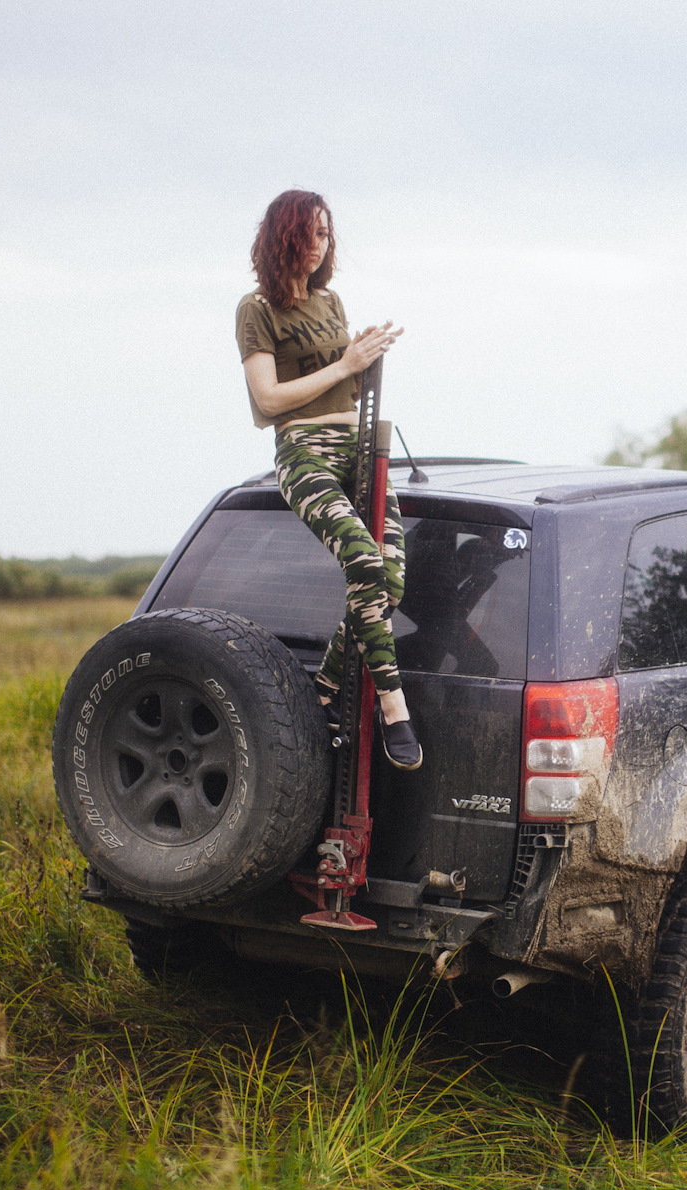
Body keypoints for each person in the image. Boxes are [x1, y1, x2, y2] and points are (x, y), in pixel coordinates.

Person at [236, 189, 420, 770]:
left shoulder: (331, 301)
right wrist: (346, 364)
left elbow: (346, 386)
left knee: (388, 581)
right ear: (283, 236)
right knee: (364, 562)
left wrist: (365, 360)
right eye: (308, 233)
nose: (318, 246)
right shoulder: (257, 309)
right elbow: (267, 398)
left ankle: (324, 691)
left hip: (360, 447)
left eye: (325, 234)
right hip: (305, 451)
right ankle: (395, 710)